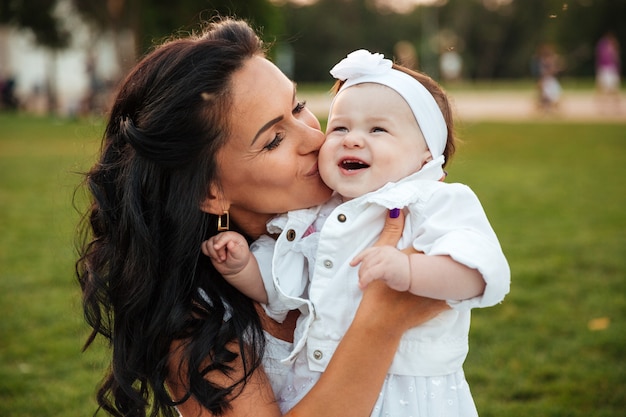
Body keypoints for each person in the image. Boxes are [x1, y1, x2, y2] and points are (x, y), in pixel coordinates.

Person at [75, 18, 450, 417]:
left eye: (298, 107)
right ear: (209, 192)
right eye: (273, 139)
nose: (315, 138)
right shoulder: (196, 331)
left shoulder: (369, 218)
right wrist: (381, 323)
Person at [202, 49, 510, 416]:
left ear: (426, 157)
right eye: (341, 127)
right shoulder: (312, 217)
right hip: (321, 385)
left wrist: (410, 273)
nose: (349, 140)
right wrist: (242, 269)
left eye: (377, 129)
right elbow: (281, 281)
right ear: (211, 191)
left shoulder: (433, 202)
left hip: (410, 392)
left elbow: (480, 269)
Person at [595, 31, 621, 110]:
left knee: (612, 89)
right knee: (603, 88)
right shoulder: (604, 45)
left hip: (609, 69)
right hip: (606, 68)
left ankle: (614, 107)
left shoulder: (608, 46)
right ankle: (602, 107)